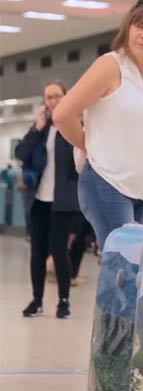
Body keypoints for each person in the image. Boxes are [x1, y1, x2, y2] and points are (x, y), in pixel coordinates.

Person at [53, 0, 143, 247]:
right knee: (124, 266)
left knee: (131, 269)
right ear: (127, 29)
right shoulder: (110, 65)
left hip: (142, 190)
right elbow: (62, 115)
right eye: (138, 26)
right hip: (108, 182)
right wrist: (89, 146)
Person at [15, 81, 81, 318]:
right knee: (37, 253)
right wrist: (37, 127)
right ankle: (37, 300)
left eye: (57, 96)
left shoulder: (73, 126)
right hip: (38, 201)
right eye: (48, 97)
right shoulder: (40, 130)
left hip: (62, 202)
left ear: (66, 97)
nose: (53, 101)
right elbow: (21, 154)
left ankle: (63, 301)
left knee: (59, 251)